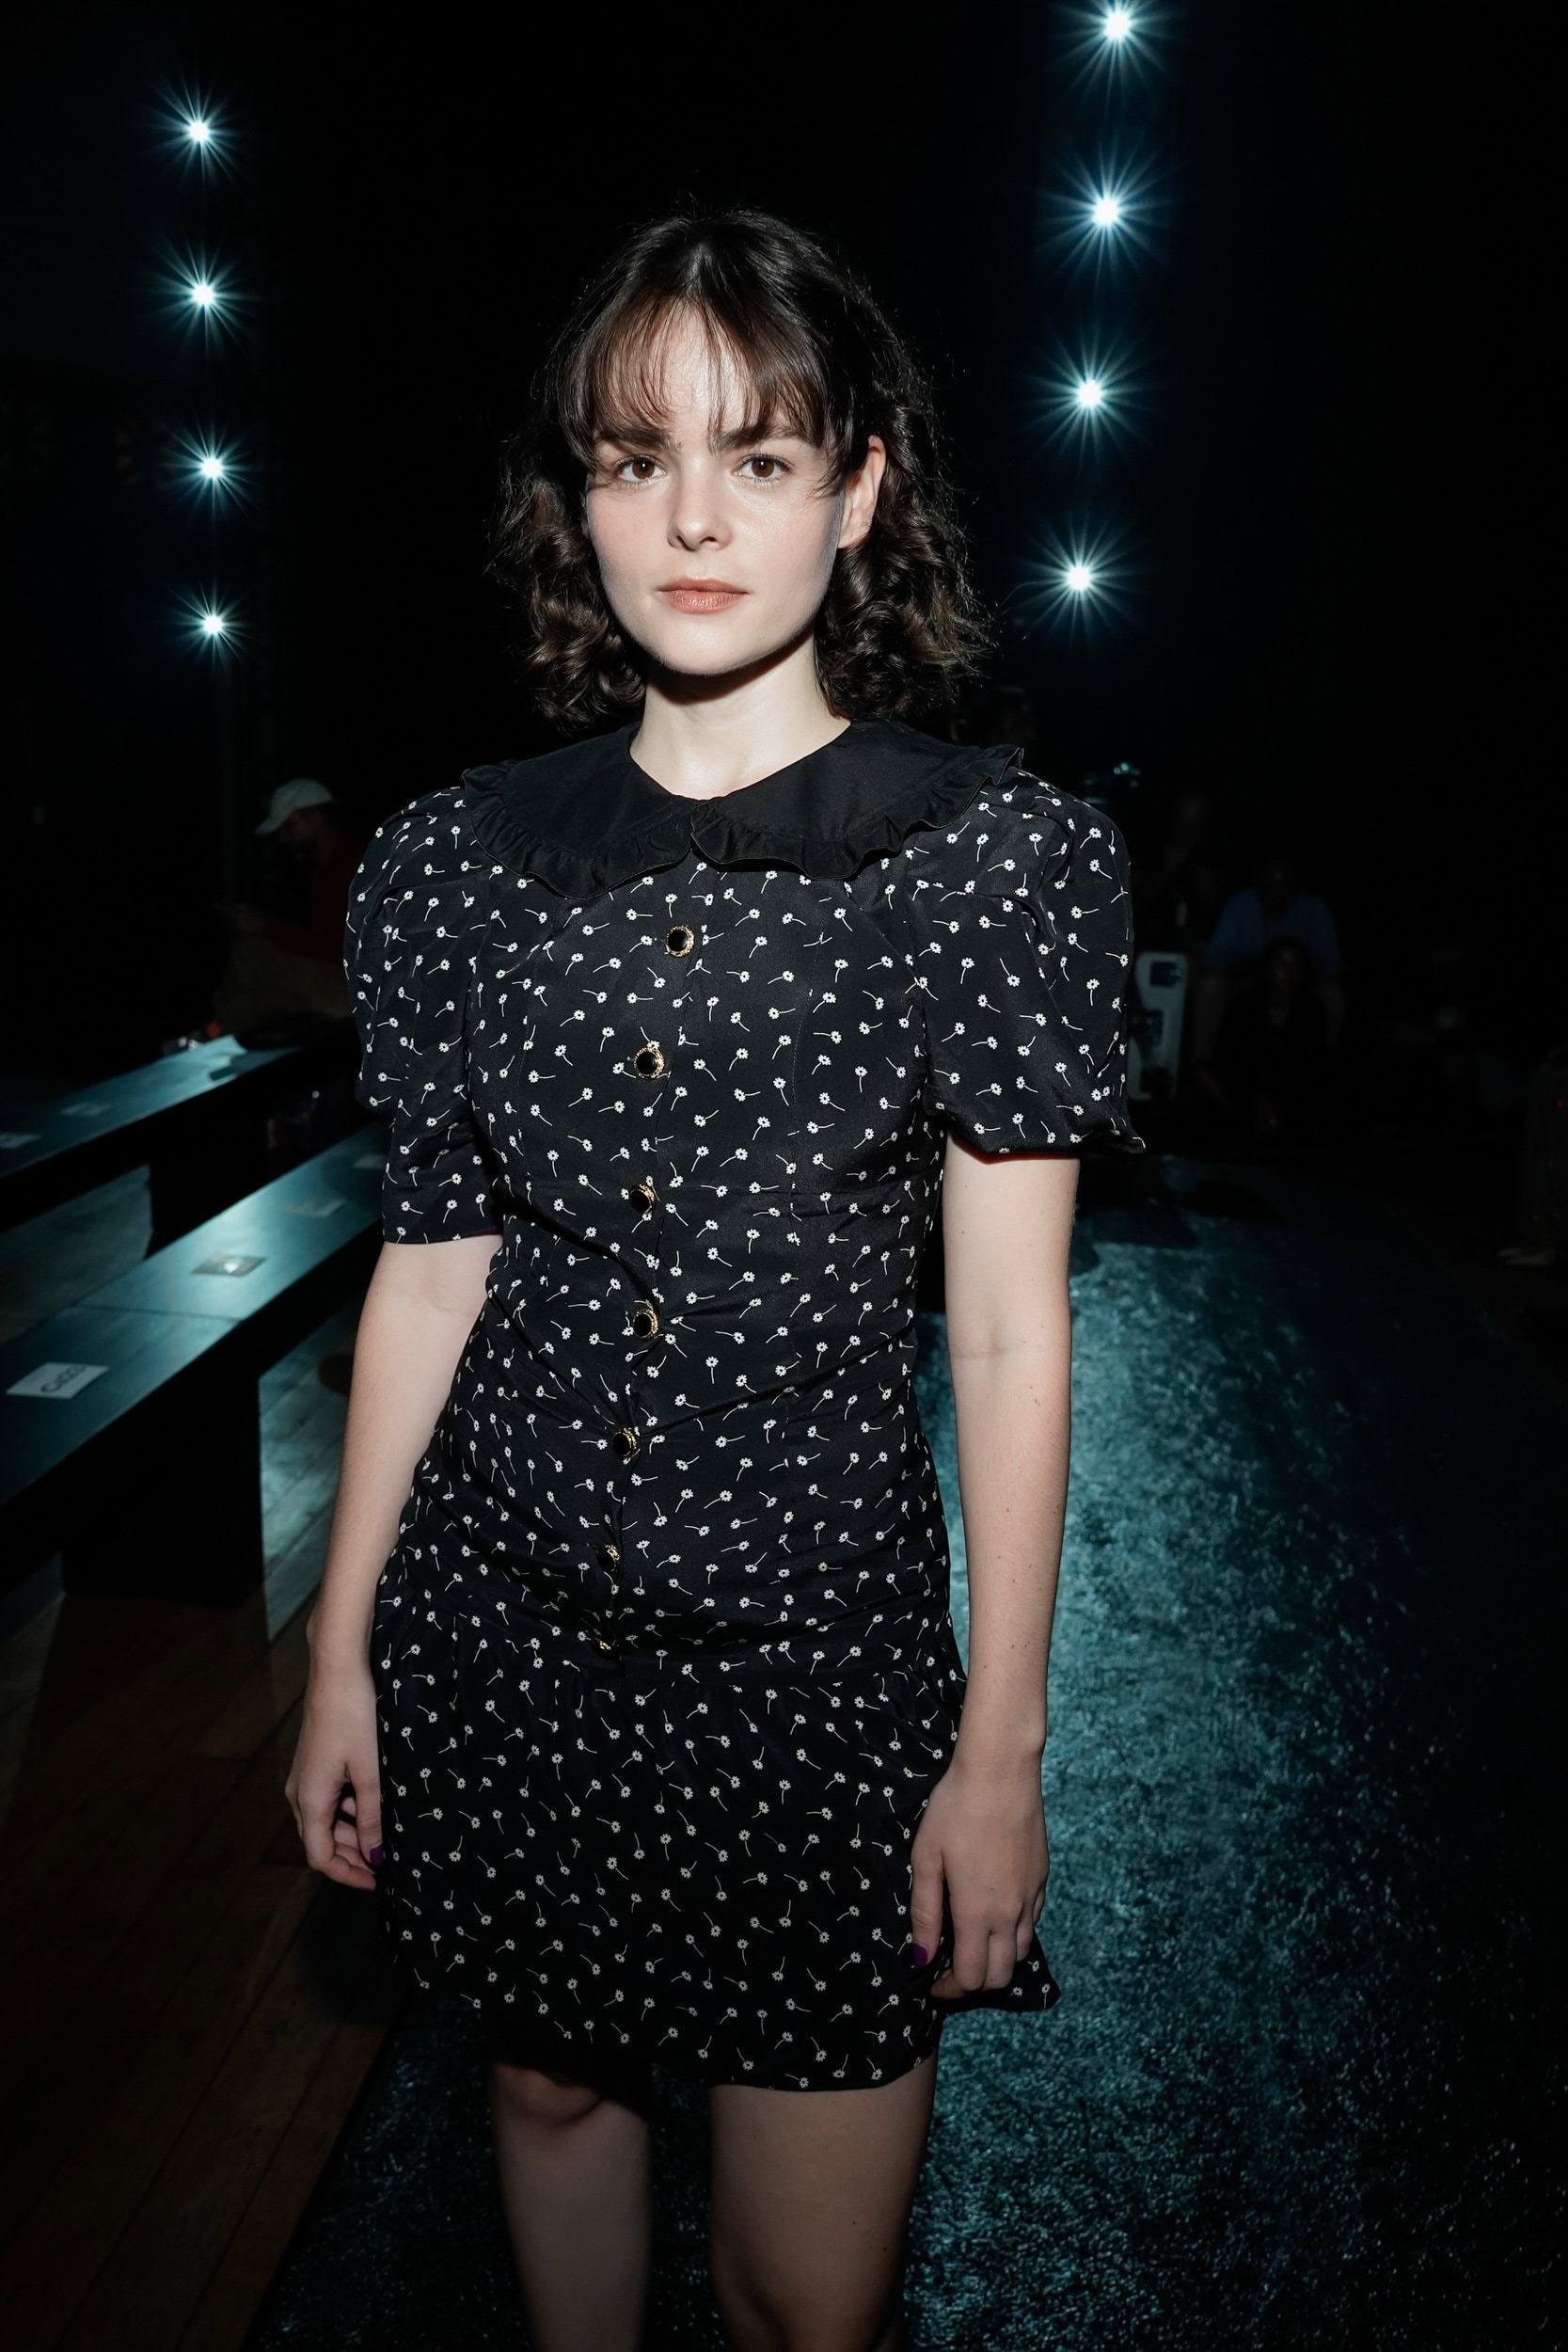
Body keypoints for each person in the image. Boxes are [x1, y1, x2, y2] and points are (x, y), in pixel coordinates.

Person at [285, 209, 1143, 2352]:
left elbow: (1008, 1328)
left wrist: (1001, 1754)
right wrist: (344, 1653)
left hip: (820, 1680)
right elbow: (430, 1269)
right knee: (546, 2095)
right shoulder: (453, 866)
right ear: (572, 497)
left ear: (859, 489)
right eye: (634, 455)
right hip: (501, 1640)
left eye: (758, 457)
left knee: (805, 2304)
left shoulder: (990, 864)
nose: (690, 517)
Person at [210, 777, 365, 1039]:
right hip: (346, 985)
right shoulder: (327, 868)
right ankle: (219, 1037)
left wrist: (266, 927)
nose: (283, 839)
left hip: (358, 990)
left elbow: (337, 946)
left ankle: (214, 1034)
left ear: (315, 817)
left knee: (249, 953)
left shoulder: (350, 865)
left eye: (288, 827)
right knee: (256, 1001)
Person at [1190, 847, 1346, 1080]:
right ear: (1259, 885)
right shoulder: (1240, 904)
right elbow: (1215, 958)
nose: (1277, 895)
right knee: (1211, 985)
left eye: (1285, 888)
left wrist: (1294, 974)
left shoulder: (1314, 908)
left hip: (1298, 986)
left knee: (1335, 993)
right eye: (1271, 888)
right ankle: (1200, 1067)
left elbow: (1331, 964)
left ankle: (1325, 1068)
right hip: (1249, 981)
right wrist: (1263, 971)